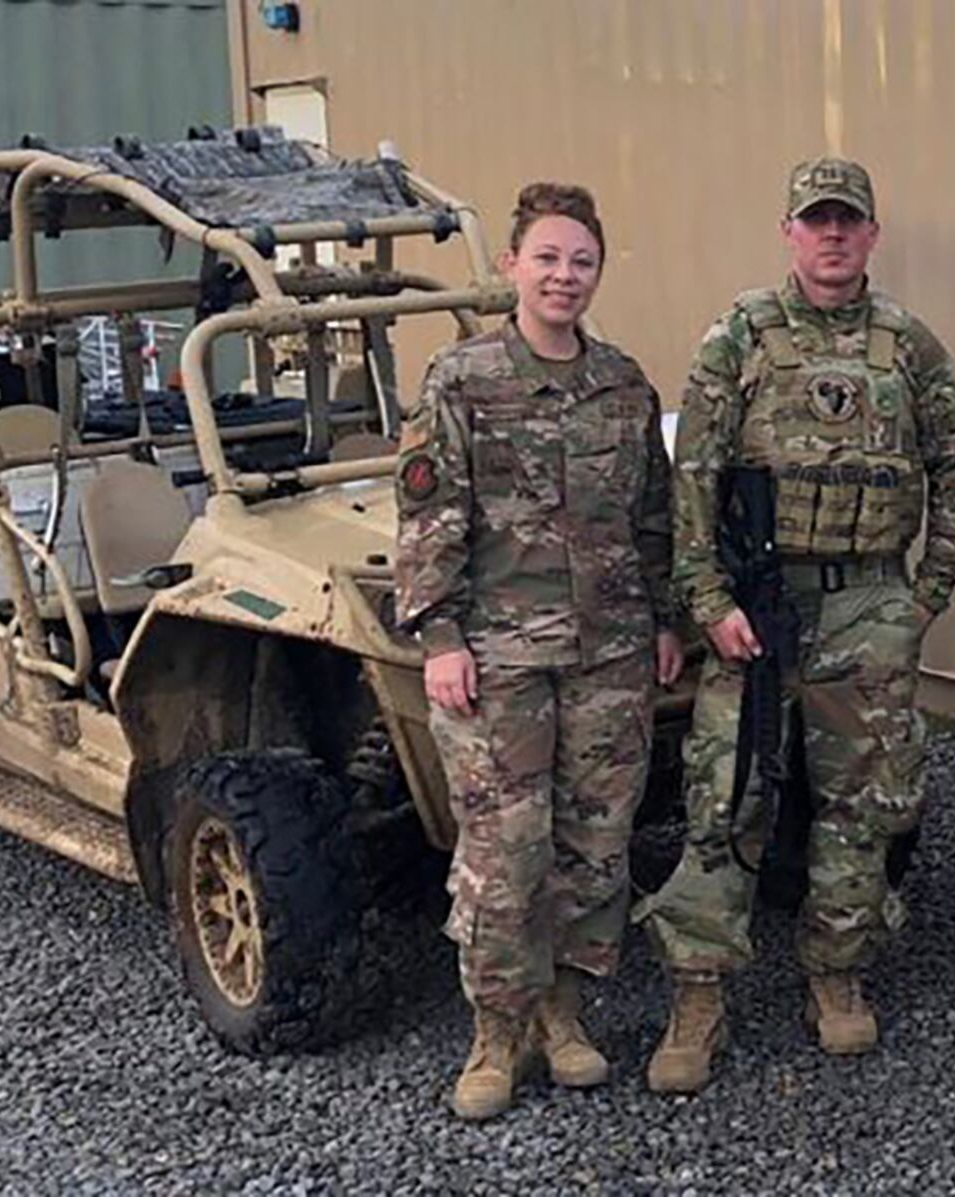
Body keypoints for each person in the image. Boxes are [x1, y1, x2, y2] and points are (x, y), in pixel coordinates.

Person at [633, 156, 955, 1093]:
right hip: (756, 604)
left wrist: (925, 593)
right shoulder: (739, 336)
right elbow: (692, 481)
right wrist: (709, 604)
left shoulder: (909, 345)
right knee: (726, 795)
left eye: (849, 222)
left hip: (868, 601)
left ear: (871, 234)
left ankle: (838, 972)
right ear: (790, 231)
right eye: (816, 221)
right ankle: (698, 993)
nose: (833, 236)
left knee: (861, 803)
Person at [394, 183, 683, 1120]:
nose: (565, 276)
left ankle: (566, 1013)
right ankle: (496, 1031)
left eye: (582, 261)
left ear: (600, 271)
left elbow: (652, 519)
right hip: (499, 658)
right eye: (548, 258)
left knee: (595, 845)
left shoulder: (623, 384)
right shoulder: (463, 378)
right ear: (513, 266)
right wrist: (438, 633)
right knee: (503, 852)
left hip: (609, 655)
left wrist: (667, 621)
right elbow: (430, 514)